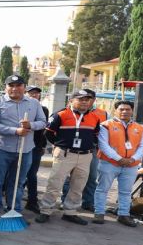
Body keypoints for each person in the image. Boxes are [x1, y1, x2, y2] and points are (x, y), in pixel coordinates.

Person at [0, 75, 47, 226]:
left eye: (18, 85)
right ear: (6, 87)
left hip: (25, 150)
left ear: (24, 87)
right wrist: (15, 131)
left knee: (18, 182)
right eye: (11, 85)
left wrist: (30, 125)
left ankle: (14, 211)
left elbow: (43, 122)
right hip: (2, 149)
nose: (14, 88)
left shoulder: (33, 103)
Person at [35, 89, 102, 226]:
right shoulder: (61, 115)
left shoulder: (94, 117)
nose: (84, 102)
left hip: (85, 155)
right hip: (65, 154)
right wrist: (59, 145)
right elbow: (49, 133)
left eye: (87, 99)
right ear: (71, 100)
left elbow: (95, 135)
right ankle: (46, 210)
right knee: (55, 183)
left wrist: (91, 145)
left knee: (78, 185)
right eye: (80, 99)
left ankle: (70, 212)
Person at [93, 101, 143, 227]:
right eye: (121, 109)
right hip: (109, 163)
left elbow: (142, 147)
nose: (124, 111)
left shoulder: (140, 128)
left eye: (127, 109)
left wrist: (133, 159)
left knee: (126, 191)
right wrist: (119, 159)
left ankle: (123, 214)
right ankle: (99, 213)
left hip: (131, 165)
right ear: (115, 110)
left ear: (132, 111)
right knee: (102, 189)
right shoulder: (106, 125)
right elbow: (103, 145)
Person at [61, 89, 109, 211]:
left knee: (91, 177)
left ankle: (88, 202)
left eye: (89, 98)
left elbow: (104, 133)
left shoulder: (102, 114)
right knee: (69, 177)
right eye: (83, 99)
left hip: (91, 150)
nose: (86, 101)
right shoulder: (67, 112)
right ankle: (65, 201)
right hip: (70, 150)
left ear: (93, 100)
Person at [23, 85, 48, 214]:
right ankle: (12, 200)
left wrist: (42, 146)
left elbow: (42, 129)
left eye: (37, 93)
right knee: (17, 174)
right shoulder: (20, 107)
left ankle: (32, 201)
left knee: (32, 175)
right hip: (20, 145)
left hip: (35, 147)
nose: (34, 95)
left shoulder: (43, 109)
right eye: (31, 93)